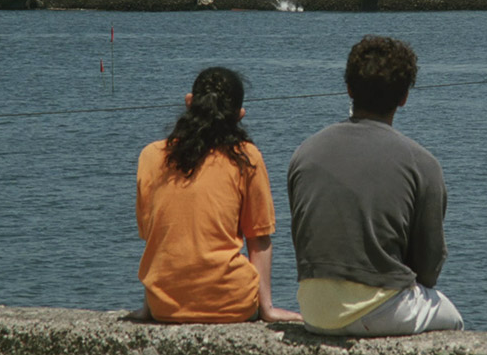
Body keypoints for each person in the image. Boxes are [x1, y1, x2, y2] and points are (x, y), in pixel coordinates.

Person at [288, 35, 464, 337]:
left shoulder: (305, 153)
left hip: (314, 309)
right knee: (454, 320)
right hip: (382, 309)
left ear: (349, 89)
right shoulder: (422, 163)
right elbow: (430, 264)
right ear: (403, 97)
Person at [128, 67, 302, 324]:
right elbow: (258, 239)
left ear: (189, 102)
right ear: (239, 115)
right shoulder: (246, 157)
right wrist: (267, 308)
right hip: (232, 303)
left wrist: (147, 308)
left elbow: (155, 237)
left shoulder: (151, 156)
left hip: (164, 305)